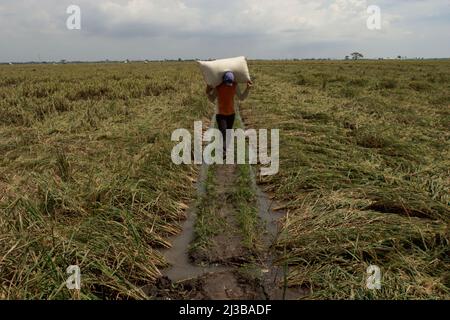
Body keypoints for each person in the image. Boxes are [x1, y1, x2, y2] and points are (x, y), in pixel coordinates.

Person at [205, 71, 252, 155]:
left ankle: (225, 149)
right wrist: (208, 92)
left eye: (230, 83)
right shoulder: (218, 86)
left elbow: (241, 97)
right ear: (223, 80)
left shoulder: (234, 85)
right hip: (221, 114)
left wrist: (247, 89)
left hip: (231, 114)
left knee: (229, 133)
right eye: (227, 83)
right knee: (223, 131)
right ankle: (222, 150)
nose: (229, 85)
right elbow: (212, 98)